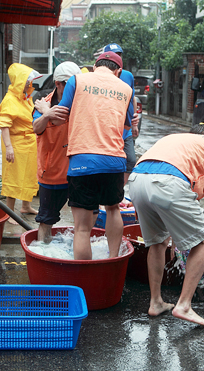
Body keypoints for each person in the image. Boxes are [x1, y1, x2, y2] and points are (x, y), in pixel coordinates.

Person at [128, 124, 204, 326]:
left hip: (136, 181)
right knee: (203, 240)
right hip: (168, 182)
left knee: (156, 243)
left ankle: (155, 302)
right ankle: (184, 305)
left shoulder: (175, 140)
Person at [53, 51, 132, 260]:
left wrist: (46, 111)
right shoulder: (126, 88)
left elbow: (61, 115)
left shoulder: (77, 80)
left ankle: (85, 278)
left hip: (83, 160)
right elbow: (126, 125)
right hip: (114, 160)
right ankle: (113, 259)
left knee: (82, 229)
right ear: (119, 71)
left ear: (95, 66)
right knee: (113, 209)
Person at [32, 62, 82, 242]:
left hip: (78, 172)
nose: (73, 89)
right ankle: (43, 255)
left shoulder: (81, 104)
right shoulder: (44, 104)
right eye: (69, 85)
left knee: (83, 222)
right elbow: (36, 128)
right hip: (52, 174)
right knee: (46, 220)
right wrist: (46, 114)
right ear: (57, 84)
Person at [0, 63, 41, 223]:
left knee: (29, 175)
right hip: (15, 143)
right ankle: (9, 213)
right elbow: (4, 124)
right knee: (14, 177)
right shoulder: (10, 100)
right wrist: (9, 147)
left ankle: (26, 206)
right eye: (28, 81)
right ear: (20, 81)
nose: (30, 84)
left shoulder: (26, 98)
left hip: (29, 142)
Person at [103, 43, 140, 184]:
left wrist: (134, 121)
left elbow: (132, 98)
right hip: (109, 127)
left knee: (130, 160)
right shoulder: (100, 77)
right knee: (109, 161)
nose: (117, 58)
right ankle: (109, 192)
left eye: (119, 55)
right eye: (114, 56)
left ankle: (119, 190)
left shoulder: (127, 76)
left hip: (126, 128)